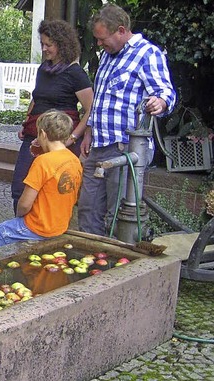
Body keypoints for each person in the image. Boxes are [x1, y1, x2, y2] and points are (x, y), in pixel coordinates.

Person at [77, 4, 176, 236]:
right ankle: (92, 265)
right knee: (87, 210)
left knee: (117, 217)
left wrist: (159, 103)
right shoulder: (108, 56)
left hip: (125, 149)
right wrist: (89, 130)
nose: (99, 44)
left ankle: (117, 268)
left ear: (121, 30)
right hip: (99, 146)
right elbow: (100, 97)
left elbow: (166, 93)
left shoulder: (147, 53)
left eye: (103, 39)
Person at [11, 19, 93, 214]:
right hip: (35, 136)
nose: (44, 49)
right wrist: (26, 122)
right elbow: (36, 97)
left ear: (62, 44)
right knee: (19, 187)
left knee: (53, 191)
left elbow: (91, 109)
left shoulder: (75, 73)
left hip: (60, 140)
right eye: (42, 44)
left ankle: (47, 232)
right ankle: (21, 231)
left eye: (49, 44)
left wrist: (73, 138)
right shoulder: (43, 69)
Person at [0, 110, 82, 253]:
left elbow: (24, 204)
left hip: (37, 226)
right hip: (60, 225)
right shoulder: (74, 160)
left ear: (43, 134)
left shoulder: (43, 161)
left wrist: (19, 216)